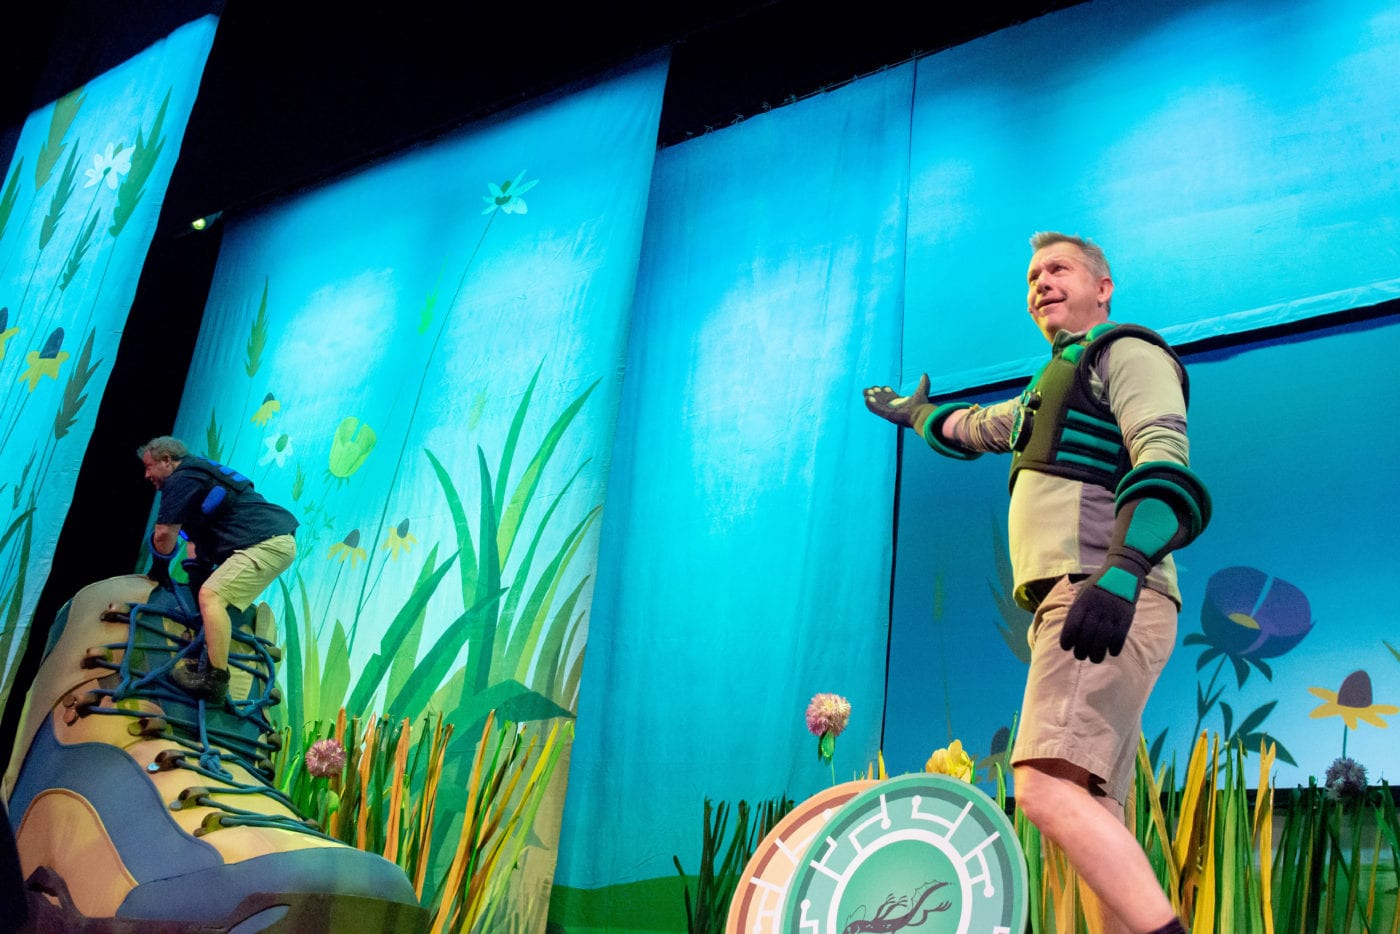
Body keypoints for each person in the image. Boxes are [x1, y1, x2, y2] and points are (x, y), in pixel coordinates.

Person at [863, 232, 1207, 934]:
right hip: (1086, 591)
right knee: (1093, 806)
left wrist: (1122, 571)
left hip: (1101, 590)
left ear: (1102, 288)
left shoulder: (1128, 352)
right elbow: (979, 428)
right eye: (1032, 276)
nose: (1042, 282)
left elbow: (1166, 461)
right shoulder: (1047, 387)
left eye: (1059, 269)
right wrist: (916, 416)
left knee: (1045, 788)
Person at [138, 436, 299, 703]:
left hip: (266, 543)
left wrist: (158, 571)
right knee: (208, 596)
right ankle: (209, 658)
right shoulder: (197, 479)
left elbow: (164, 534)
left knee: (211, 597)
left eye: (149, 466)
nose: (146, 475)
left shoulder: (182, 478)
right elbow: (196, 553)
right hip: (269, 541)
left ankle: (214, 680)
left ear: (167, 460)